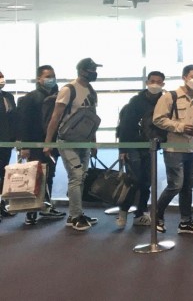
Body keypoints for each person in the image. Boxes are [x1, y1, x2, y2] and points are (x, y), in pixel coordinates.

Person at [43, 58, 102, 231]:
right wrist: (48, 142)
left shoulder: (91, 91)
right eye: (91, 69)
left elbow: (92, 119)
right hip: (67, 141)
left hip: (84, 141)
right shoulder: (68, 89)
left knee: (81, 176)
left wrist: (93, 142)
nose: (94, 73)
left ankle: (75, 213)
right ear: (82, 71)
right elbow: (55, 117)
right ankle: (76, 216)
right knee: (76, 176)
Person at [153, 64, 193, 234]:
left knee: (187, 186)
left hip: (192, 148)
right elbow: (158, 119)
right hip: (174, 148)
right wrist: (180, 127)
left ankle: (186, 222)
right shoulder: (170, 97)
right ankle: (156, 216)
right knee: (175, 185)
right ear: (184, 77)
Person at [114, 71, 166, 229]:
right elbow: (126, 125)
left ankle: (140, 213)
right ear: (147, 82)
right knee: (134, 180)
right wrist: (123, 149)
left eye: (158, 81)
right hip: (133, 145)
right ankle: (123, 211)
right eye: (152, 81)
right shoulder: (136, 101)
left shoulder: (165, 101)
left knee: (147, 181)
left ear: (163, 84)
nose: (155, 84)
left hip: (150, 147)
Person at [16, 65, 65, 224]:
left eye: (53, 75)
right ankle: (31, 212)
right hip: (35, 144)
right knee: (35, 177)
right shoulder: (31, 97)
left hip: (53, 143)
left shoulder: (59, 96)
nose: (51, 79)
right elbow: (24, 123)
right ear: (39, 79)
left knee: (49, 175)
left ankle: (46, 207)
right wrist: (25, 146)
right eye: (48, 76)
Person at [0, 70, 17, 220]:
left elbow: (14, 118)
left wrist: (16, 139)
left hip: (6, 142)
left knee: (3, 174)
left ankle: (2, 205)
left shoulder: (8, 97)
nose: (1, 80)